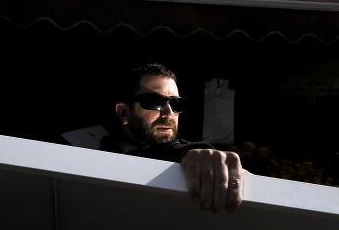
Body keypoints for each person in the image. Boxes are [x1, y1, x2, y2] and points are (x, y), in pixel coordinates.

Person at [100, 63, 245, 213]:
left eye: (176, 103)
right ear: (124, 113)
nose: (169, 113)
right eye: (154, 101)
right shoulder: (100, 155)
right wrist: (190, 152)